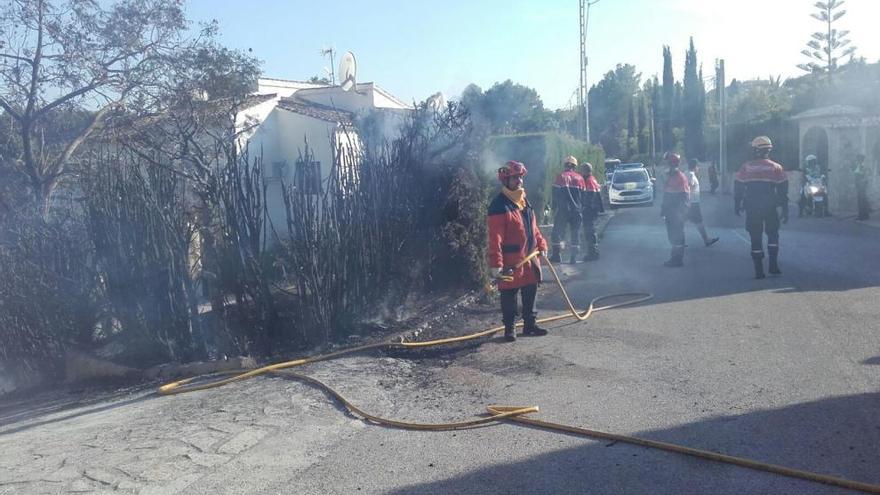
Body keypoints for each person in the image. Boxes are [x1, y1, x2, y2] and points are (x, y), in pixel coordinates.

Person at [487, 160, 550, 342]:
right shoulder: (499, 206)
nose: (520, 181)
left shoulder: (524, 201)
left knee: (530, 290)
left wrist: (542, 244)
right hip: (511, 261)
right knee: (509, 295)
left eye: (521, 177)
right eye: (515, 178)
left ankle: (530, 324)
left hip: (529, 259)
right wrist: (496, 264)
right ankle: (510, 328)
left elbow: (534, 229)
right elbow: (495, 239)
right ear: (505, 180)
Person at [734, 136, 789, 279]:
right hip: (770, 207)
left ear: (756, 150)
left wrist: (737, 204)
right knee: (773, 235)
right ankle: (773, 266)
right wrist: (785, 209)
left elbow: (738, 187)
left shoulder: (746, 167)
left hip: (752, 207)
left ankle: (759, 271)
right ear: (768, 150)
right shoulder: (776, 167)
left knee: (755, 237)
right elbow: (783, 191)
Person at [549, 156, 587, 264]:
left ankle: (557, 256)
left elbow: (555, 195)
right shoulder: (580, 178)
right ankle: (573, 258)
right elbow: (584, 196)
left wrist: (553, 208)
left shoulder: (560, 177)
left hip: (563, 211)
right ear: (575, 166)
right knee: (575, 233)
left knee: (557, 233)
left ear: (565, 165)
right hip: (576, 211)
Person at [660, 152, 689, 267]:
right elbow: (667, 195)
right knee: (673, 236)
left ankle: (677, 259)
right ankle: (674, 258)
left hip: (676, 213)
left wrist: (680, 214)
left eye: (667, 163)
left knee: (677, 236)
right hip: (671, 212)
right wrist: (664, 210)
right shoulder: (671, 176)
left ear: (672, 164)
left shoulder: (679, 177)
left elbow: (683, 198)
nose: (665, 166)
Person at [686, 159, 719, 247]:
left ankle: (679, 241)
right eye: (698, 166)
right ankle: (706, 240)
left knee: (683, 221)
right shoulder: (691, 175)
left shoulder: (688, 174)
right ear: (694, 166)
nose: (699, 168)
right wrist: (688, 202)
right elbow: (688, 188)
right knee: (698, 222)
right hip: (693, 203)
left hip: (691, 203)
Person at [580, 161, 604, 261]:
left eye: (581, 170)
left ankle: (593, 253)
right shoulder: (593, 179)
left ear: (585, 170)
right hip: (593, 210)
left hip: (589, 211)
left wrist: (583, 208)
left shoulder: (588, 181)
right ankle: (593, 251)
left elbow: (588, 198)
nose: (580, 172)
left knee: (589, 232)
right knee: (591, 231)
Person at [854, 153, 870, 221]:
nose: (857, 160)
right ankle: (864, 215)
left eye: (858, 159)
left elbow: (865, 175)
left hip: (861, 185)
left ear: (860, 160)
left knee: (861, 200)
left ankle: (862, 216)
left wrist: (861, 182)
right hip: (860, 184)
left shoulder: (862, 166)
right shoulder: (860, 166)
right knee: (862, 200)